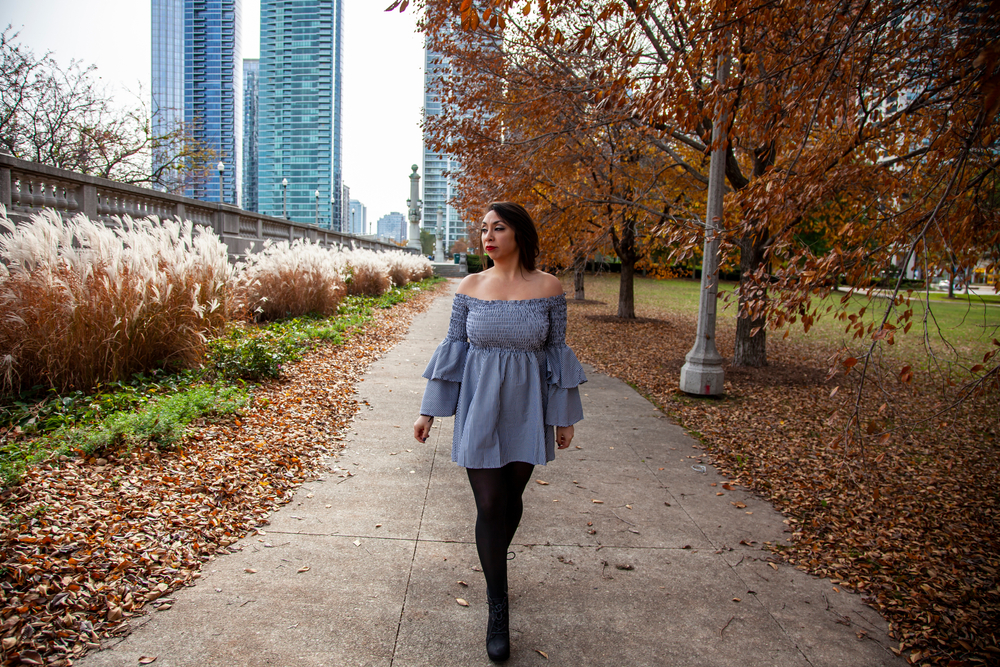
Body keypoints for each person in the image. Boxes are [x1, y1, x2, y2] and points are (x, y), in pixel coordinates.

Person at [413, 202, 587, 663]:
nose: (488, 236)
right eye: (484, 229)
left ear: (519, 233)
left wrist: (563, 417)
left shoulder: (548, 287)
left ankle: (494, 569)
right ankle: (498, 606)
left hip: (526, 410)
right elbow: (453, 350)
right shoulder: (469, 286)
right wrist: (429, 412)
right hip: (478, 406)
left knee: (509, 501)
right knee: (489, 503)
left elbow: (555, 355)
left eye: (498, 228)